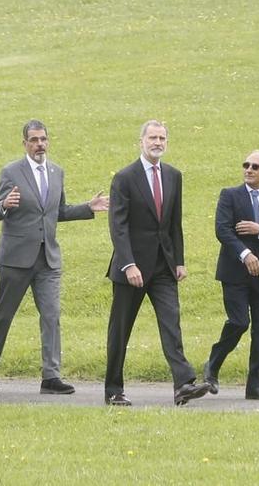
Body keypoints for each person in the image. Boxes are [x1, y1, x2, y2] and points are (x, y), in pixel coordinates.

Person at [0, 119, 108, 394]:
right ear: (24, 143)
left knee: (51, 314)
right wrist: (4, 205)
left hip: (47, 259)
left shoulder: (56, 172)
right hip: (15, 259)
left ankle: (51, 376)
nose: (39, 145)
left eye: (43, 139)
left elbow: (57, 212)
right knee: (3, 315)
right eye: (34, 140)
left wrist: (87, 208)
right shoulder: (11, 172)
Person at [102, 120, 210, 407]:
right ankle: (113, 389)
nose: (158, 142)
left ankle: (183, 384)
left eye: (162, 138)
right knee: (120, 331)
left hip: (164, 267)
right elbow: (118, 226)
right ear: (141, 141)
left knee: (171, 323)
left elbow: (174, 223)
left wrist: (180, 261)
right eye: (153, 137)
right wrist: (128, 264)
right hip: (132, 269)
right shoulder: (125, 178)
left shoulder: (174, 176)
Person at [205, 150, 259, 400]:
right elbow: (222, 230)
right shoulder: (230, 195)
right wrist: (245, 254)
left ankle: (254, 385)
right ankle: (213, 364)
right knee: (239, 322)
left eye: (255, 166)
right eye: (246, 165)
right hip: (235, 273)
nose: (249, 169)